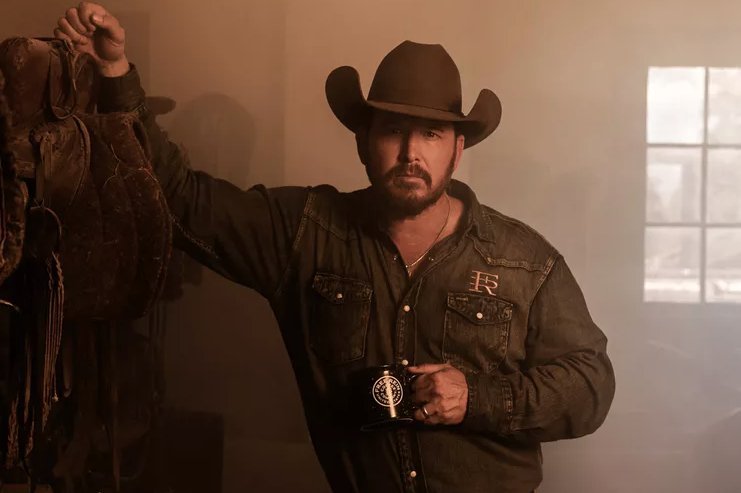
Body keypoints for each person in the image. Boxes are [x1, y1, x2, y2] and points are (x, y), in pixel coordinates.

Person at [54, 3, 616, 492]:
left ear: (457, 149)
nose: (410, 153)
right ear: (363, 142)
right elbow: (178, 198)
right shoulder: (306, 233)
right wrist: (115, 73)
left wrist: (476, 397)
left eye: (431, 134)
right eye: (392, 130)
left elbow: (591, 387)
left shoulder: (524, 262)